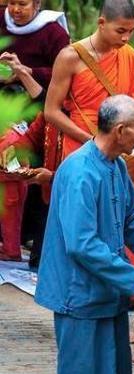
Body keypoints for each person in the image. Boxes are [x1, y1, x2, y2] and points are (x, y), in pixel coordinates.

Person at [34, 95, 134, 374]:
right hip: (79, 293)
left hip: (108, 292)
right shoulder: (80, 171)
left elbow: (133, 215)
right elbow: (81, 244)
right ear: (120, 131)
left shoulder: (115, 165)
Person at [0, 0, 69, 262]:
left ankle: (17, 240)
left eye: (23, 4)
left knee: (20, 175)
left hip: (36, 109)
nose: (16, 10)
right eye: (12, 3)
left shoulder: (53, 32)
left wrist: (26, 72)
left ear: (37, 4)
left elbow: (63, 71)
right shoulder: (1, 20)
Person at [44, 0, 134, 158]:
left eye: (131, 31)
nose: (126, 38)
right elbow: (51, 111)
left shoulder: (131, 56)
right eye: (120, 31)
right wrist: (92, 141)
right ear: (101, 23)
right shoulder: (70, 57)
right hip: (80, 145)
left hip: (118, 147)